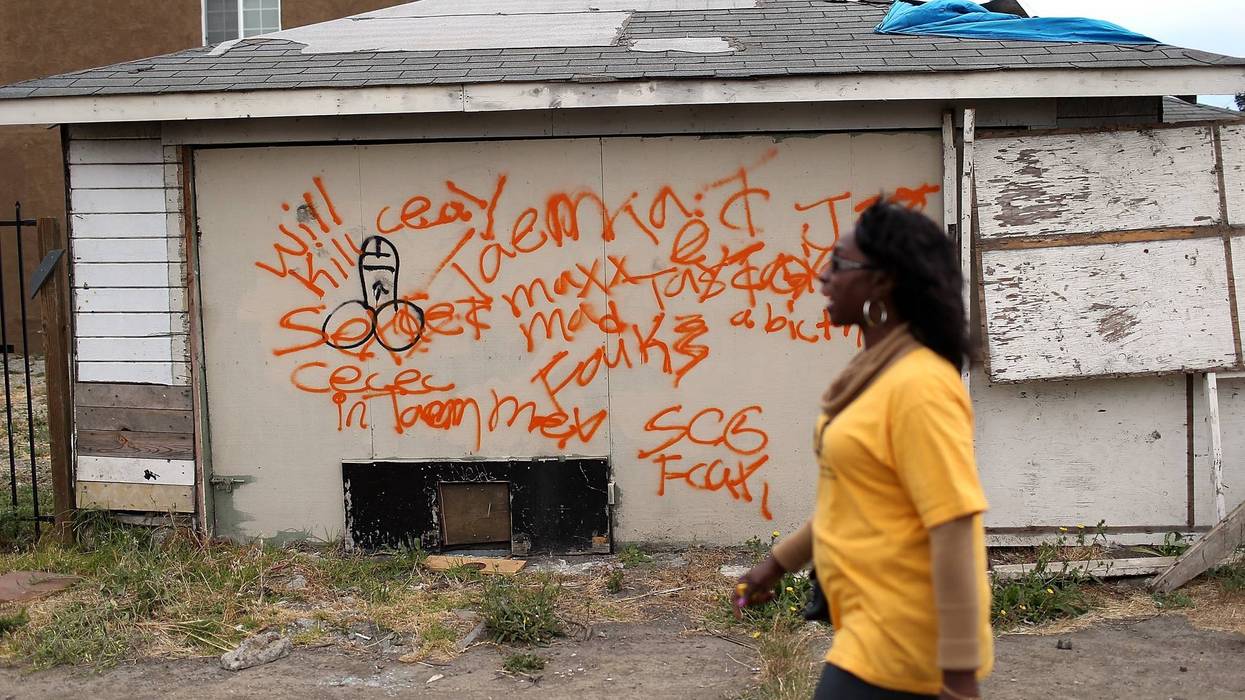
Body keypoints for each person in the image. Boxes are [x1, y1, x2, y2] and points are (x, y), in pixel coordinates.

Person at [735, 200, 993, 700]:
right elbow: (856, 498)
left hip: (903, 654)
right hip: (866, 633)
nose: (822, 278)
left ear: (882, 282)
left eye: (838, 265)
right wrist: (778, 563)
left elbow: (954, 526)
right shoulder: (877, 372)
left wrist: (959, 680)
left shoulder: (920, 386)